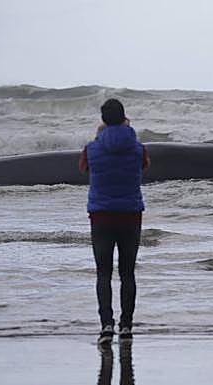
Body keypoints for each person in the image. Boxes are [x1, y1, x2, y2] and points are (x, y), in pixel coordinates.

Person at [79, 99, 150, 344]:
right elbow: (145, 166)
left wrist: (100, 137)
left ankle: (106, 325)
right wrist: (128, 131)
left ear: (103, 121)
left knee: (103, 273)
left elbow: (84, 168)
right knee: (127, 273)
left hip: (101, 216)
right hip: (130, 215)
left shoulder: (92, 148)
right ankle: (126, 326)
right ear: (124, 118)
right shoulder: (138, 148)